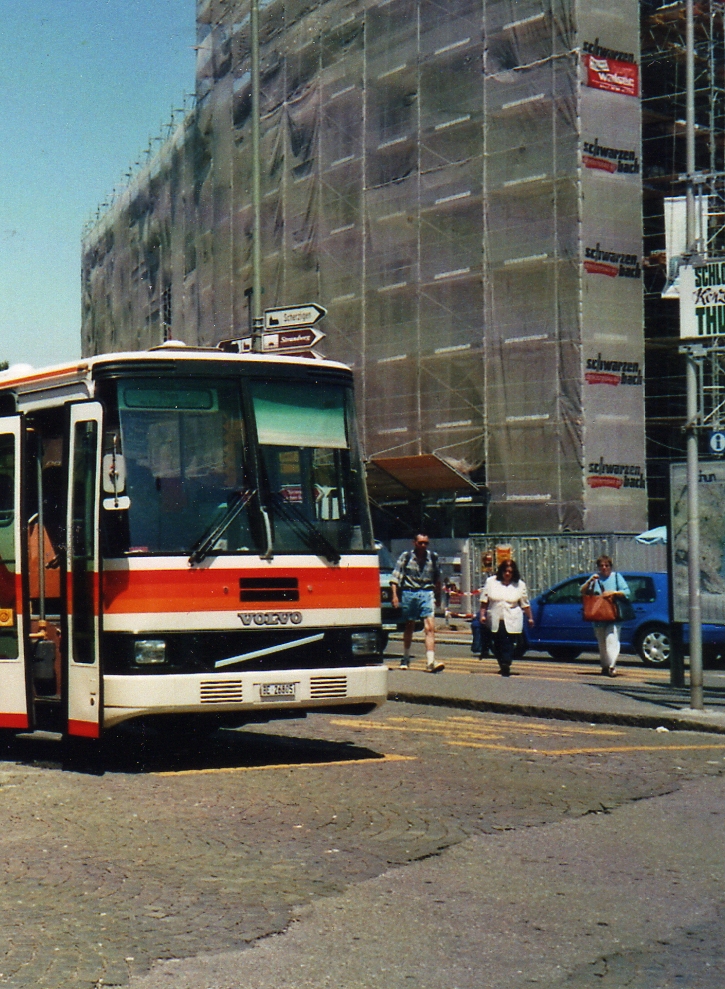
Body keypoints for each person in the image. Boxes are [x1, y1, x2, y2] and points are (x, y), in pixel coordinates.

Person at [390, 533, 444, 673]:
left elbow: (437, 578)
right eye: (420, 543)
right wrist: (395, 596)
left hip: (426, 592)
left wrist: (438, 597)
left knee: (430, 627)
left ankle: (430, 661)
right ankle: (406, 657)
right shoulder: (406, 556)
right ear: (414, 543)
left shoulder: (433, 557)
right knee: (410, 626)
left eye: (426, 543)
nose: (423, 546)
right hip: (410, 592)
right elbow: (395, 577)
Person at [478, 559, 534, 676]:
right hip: (495, 617)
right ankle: (502, 662)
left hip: (512, 617)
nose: (507, 574)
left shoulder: (519, 585)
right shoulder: (491, 582)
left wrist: (530, 618)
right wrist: (482, 615)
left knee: (507, 642)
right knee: (497, 642)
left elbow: (525, 603)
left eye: (510, 572)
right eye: (505, 571)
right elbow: (484, 601)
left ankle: (506, 663)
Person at [580, 555, 630, 677]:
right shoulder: (595, 579)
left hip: (613, 615)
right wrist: (590, 581)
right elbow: (582, 591)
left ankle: (612, 666)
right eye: (601, 565)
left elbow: (627, 592)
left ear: (610, 567)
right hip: (598, 616)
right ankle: (605, 666)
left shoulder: (617, 577)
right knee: (602, 643)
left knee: (612, 640)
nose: (604, 568)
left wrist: (613, 592)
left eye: (606, 565)